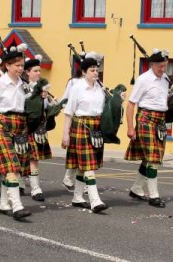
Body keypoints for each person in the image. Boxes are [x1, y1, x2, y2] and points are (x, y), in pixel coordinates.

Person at [124, 48, 173, 208]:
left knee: (149, 158)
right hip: (146, 119)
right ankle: (154, 196)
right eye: (161, 66)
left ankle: (136, 189)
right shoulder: (143, 80)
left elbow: (166, 100)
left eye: (165, 66)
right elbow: (131, 104)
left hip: (160, 120)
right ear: (152, 64)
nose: (163, 69)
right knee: (154, 158)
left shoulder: (165, 79)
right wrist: (130, 128)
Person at [0, 44, 32, 221]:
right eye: (17, 65)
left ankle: (4, 204)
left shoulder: (25, 85)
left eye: (22, 65)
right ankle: (17, 206)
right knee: (11, 166)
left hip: (20, 126)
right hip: (2, 125)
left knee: (14, 168)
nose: (20, 68)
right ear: (7, 66)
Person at [61, 52, 108, 214]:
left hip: (95, 128)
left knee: (82, 167)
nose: (96, 72)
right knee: (88, 165)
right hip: (80, 126)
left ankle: (77, 197)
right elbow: (68, 112)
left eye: (97, 70)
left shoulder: (100, 88)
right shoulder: (77, 87)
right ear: (83, 72)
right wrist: (65, 134)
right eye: (92, 70)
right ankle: (95, 201)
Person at [19, 55, 50, 202]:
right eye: (35, 70)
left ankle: (35, 188)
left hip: (38, 128)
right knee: (21, 157)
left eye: (40, 70)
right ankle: (19, 183)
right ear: (27, 72)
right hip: (24, 126)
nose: (39, 73)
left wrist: (46, 100)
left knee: (34, 159)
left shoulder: (43, 89)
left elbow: (45, 109)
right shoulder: (22, 87)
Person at [61, 54, 85, 192]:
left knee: (80, 154)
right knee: (77, 153)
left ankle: (69, 179)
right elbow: (66, 99)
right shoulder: (73, 82)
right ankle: (81, 182)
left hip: (89, 121)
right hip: (76, 119)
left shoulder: (96, 83)